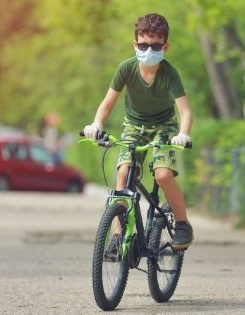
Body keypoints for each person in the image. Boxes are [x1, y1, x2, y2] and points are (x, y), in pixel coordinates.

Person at [83, 13, 194, 249]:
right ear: (135, 44)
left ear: (165, 46)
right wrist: (96, 124)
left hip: (164, 127)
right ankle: (117, 237)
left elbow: (185, 111)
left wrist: (183, 134)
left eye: (155, 46)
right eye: (143, 45)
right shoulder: (126, 68)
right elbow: (108, 103)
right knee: (123, 175)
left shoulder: (169, 73)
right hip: (134, 126)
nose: (148, 50)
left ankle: (183, 224)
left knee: (163, 176)